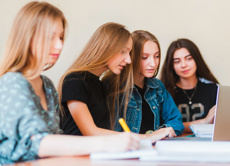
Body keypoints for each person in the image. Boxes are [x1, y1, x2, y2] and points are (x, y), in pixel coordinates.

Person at [0, 2, 139, 164]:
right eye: (51, 37)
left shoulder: (47, 85)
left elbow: (56, 138)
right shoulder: (11, 83)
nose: (59, 45)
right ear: (28, 37)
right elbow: (37, 142)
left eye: (60, 37)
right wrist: (107, 143)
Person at [58, 23, 172, 142]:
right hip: (73, 157)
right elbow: (90, 132)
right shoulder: (73, 81)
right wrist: (147, 137)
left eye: (129, 53)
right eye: (123, 52)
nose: (128, 60)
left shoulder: (99, 84)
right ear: (106, 48)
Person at [111, 30, 184, 137]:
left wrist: (161, 132)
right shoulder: (116, 88)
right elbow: (112, 133)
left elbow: (177, 122)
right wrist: (150, 137)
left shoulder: (157, 86)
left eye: (157, 56)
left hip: (154, 148)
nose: (153, 63)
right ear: (131, 57)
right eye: (144, 57)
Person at [160, 38, 230, 132]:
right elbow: (163, 127)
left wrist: (216, 121)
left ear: (196, 59)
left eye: (188, 59)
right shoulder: (165, 92)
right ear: (171, 65)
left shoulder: (212, 88)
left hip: (206, 144)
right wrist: (204, 122)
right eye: (177, 61)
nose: (183, 65)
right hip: (174, 144)